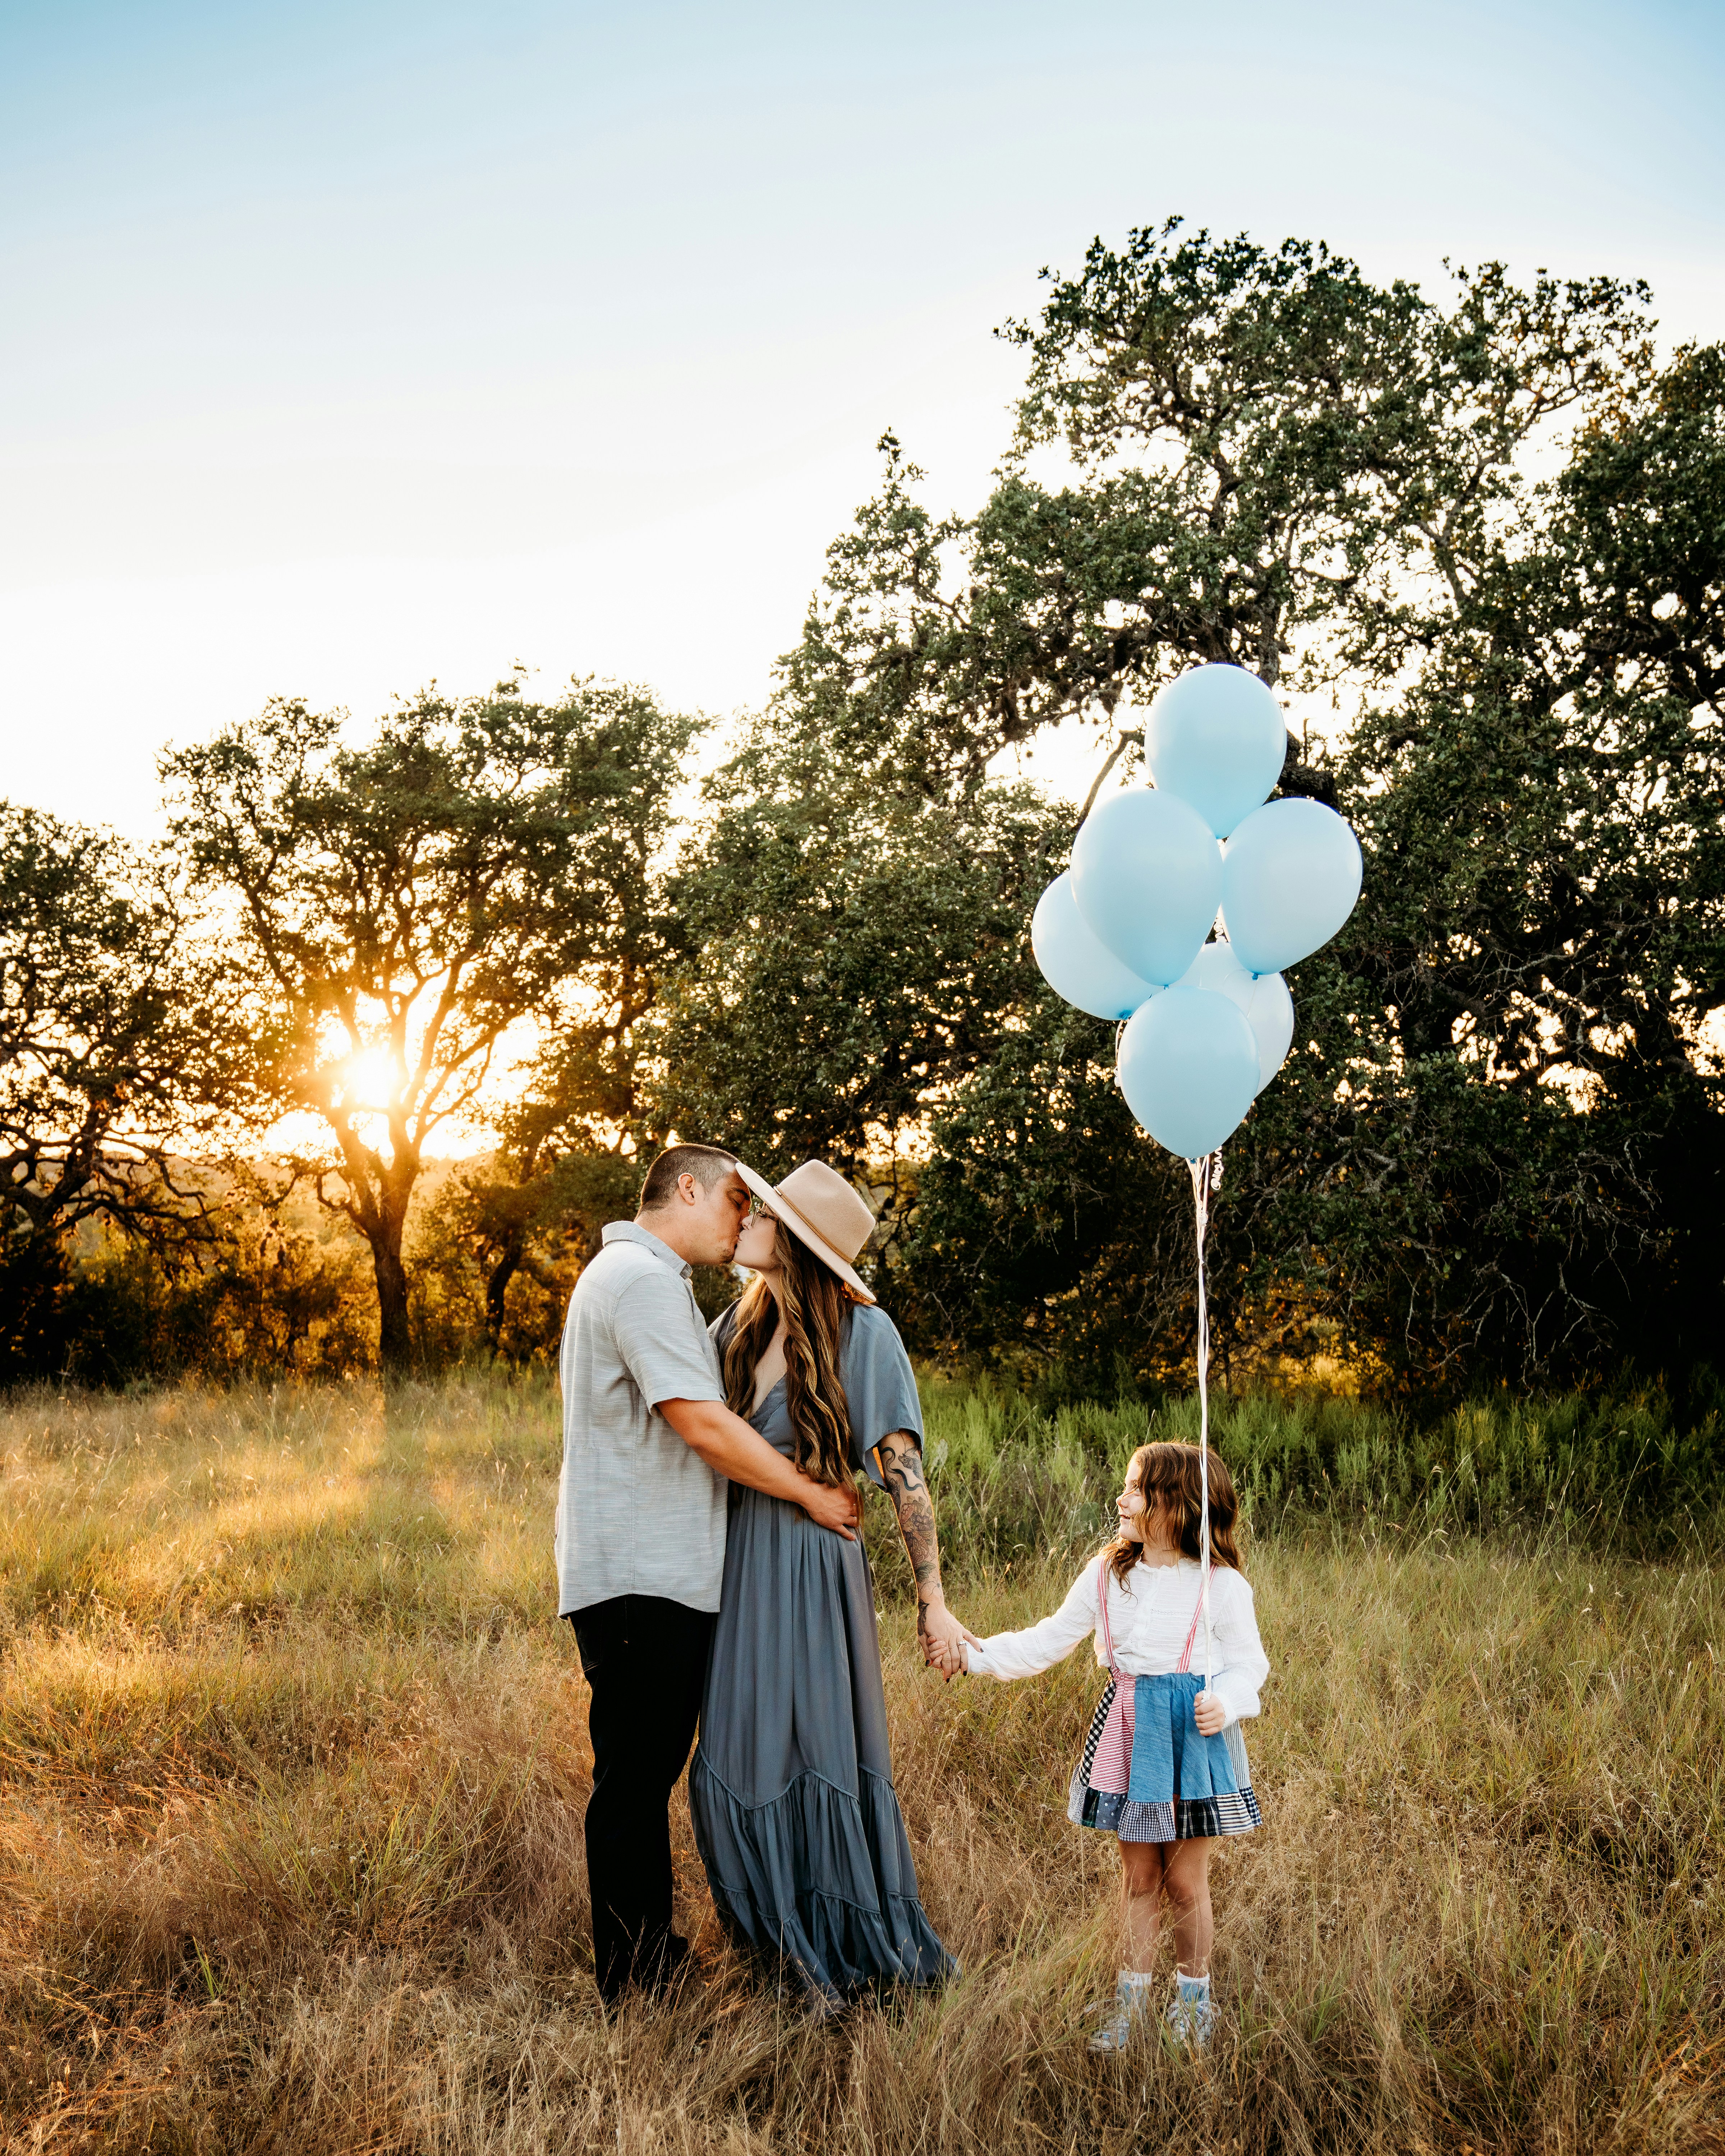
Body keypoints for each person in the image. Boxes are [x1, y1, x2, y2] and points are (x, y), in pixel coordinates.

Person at [555, 1142, 861, 2004]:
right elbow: (702, 1425)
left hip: (643, 1572)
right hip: (640, 1578)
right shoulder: (641, 1282)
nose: (743, 1221)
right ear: (686, 1189)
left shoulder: (647, 1281)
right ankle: (638, 1981)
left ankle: (649, 1960)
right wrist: (813, 1495)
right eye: (736, 1201)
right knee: (634, 1782)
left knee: (640, 1775)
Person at [689, 1157, 969, 2005]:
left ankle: (840, 1937)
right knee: (732, 1753)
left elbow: (905, 1476)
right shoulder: (733, 1324)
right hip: (734, 1558)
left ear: (796, 1242)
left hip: (812, 1565)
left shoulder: (864, 1334)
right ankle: (769, 1942)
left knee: (815, 1746)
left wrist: (933, 1599)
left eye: (762, 1214)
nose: (745, 1221)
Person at [952, 1440, 1268, 2051]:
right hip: (1132, 1735)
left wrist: (1226, 1701)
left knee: (1185, 1882)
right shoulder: (1107, 1574)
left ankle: (1194, 2005)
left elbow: (1250, 1666)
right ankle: (1130, 2008)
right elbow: (1047, 1641)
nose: (1120, 1499)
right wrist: (973, 1656)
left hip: (1192, 1740)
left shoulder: (1220, 1585)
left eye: (1135, 1490)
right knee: (1140, 1878)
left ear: (1176, 1506)